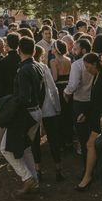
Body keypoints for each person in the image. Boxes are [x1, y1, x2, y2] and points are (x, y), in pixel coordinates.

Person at [1, 37, 45, 198]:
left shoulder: (25, 70)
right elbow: (42, 92)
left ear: (19, 50)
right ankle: (34, 181)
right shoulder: (37, 67)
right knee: (26, 148)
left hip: (25, 114)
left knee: (5, 149)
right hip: (36, 111)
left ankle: (28, 179)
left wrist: (12, 109)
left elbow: (24, 97)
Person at [76, 52, 102, 191]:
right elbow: (95, 101)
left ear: (95, 64)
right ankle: (92, 174)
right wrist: (85, 114)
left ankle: (87, 176)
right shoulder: (98, 77)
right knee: (96, 146)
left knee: (90, 144)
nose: (87, 70)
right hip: (98, 117)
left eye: (88, 67)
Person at [33, 45, 64, 181]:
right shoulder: (43, 67)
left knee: (35, 141)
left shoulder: (22, 68)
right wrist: (58, 107)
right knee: (53, 139)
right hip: (48, 108)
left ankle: (38, 170)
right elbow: (53, 88)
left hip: (34, 109)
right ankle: (58, 169)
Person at [63, 38, 93, 161]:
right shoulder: (98, 60)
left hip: (81, 102)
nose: (73, 51)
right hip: (94, 101)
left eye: (76, 49)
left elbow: (73, 85)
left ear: (84, 50)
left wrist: (66, 93)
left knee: (83, 136)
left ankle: (87, 164)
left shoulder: (77, 64)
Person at [50, 40, 73, 149]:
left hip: (59, 88)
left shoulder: (53, 62)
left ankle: (61, 142)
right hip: (68, 88)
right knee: (68, 113)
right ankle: (69, 139)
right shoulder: (68, 59)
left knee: (59, 114)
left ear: (56, 49)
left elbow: (54, 78)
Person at [0, 32, 21, 99]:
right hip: (21, 95)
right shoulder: (22, 59)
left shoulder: (2, 62)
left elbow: (0, 84)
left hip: (8, 97)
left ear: (7, 44)